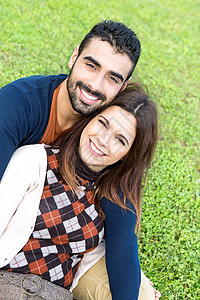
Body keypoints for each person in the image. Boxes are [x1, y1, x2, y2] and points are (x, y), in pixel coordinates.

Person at [0, 84, 158, 300]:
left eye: (120, 140)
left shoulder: (109, 192)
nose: (103, 140)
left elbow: (122, 248)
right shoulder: (35, 160)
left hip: (58, 294)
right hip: (12, 285)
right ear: (90, 118)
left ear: (127, 154)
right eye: (103, 123)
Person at [0, 19, 141, 180]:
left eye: (112, 79)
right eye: (91, 66)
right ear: (74, 57)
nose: (95, 86)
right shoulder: (17, 104)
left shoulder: (111, 123)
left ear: (123, 87)